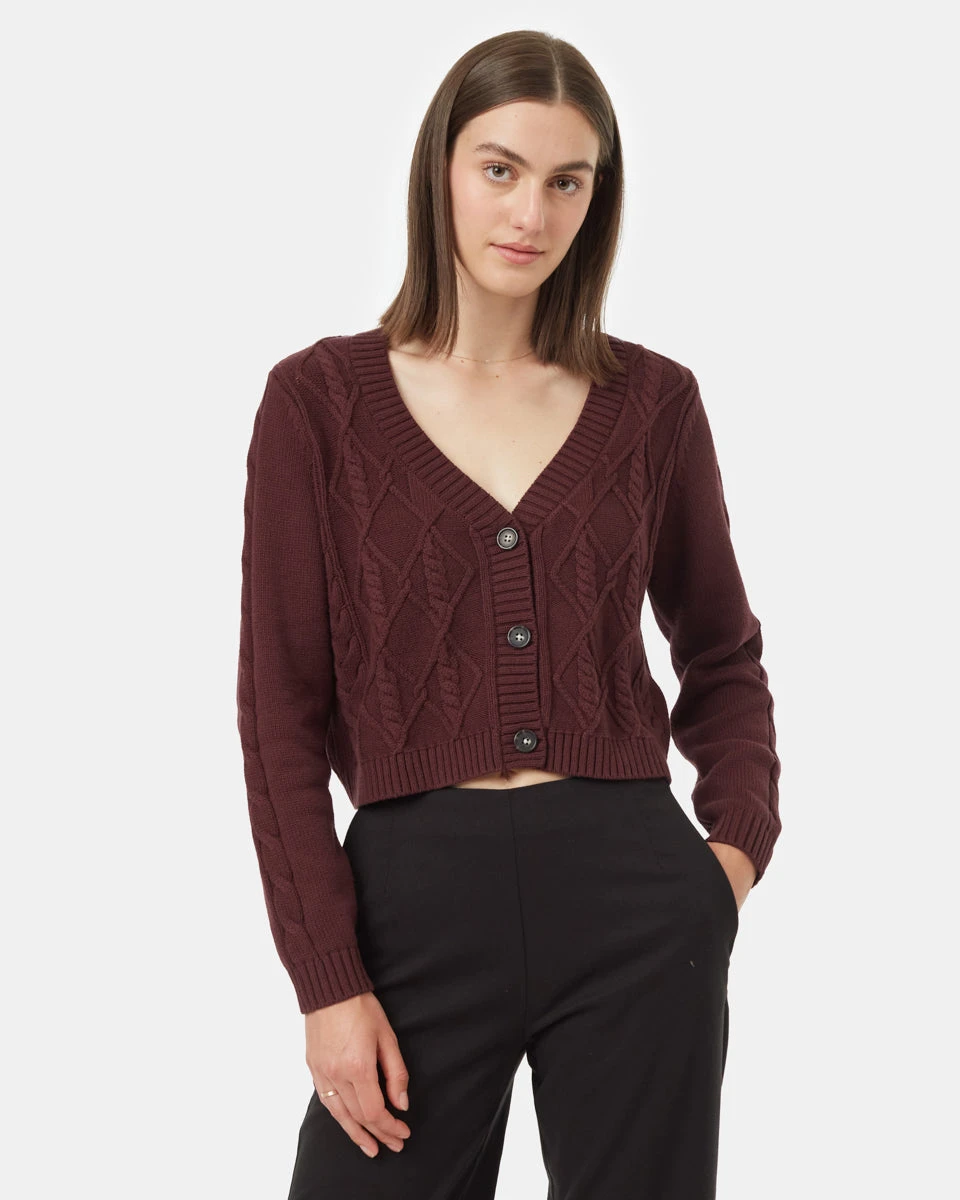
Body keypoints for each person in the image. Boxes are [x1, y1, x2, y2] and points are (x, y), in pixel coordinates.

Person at [236, 28, 781, 1200]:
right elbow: (279, 712)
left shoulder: (653, 404)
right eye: (500, 169)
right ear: (440, 168)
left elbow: (722, 654)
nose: (531, 213)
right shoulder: (317, 405)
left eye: (567, 181)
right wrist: (327, 980)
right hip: (411, 902)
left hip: (636, 897)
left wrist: (727, 861)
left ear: (598, 199)